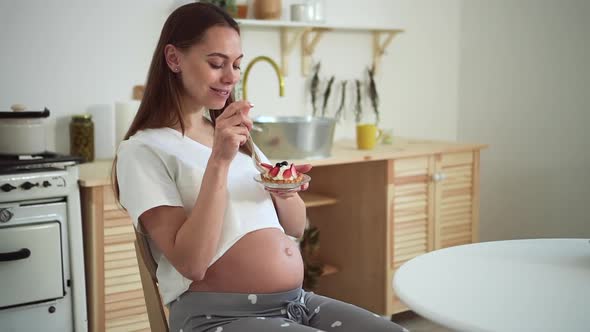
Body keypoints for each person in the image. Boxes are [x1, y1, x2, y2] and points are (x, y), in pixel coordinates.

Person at [114, 3, 407, 332]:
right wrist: (220, 161)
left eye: (237, 65)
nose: (231, 77)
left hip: (295, 303)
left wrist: (285, 188)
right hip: (217, 316)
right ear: (174, 59)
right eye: (216, 63)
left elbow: (296, 227)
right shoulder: (143, 151)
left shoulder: (233, 137)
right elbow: (192, 264)